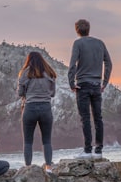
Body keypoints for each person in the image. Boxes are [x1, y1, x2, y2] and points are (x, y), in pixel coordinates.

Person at [67, 19, 112, 159]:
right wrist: (104, 82)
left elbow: (73, 64)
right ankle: (98, 151)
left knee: (85, 118)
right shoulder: (100, 43)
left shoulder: (78, 43)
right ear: (89, 29)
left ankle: (87, 150)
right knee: (98, 118)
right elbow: (109, 63)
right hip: (96, 85)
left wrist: (71, 83)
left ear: (77, 30)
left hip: (83, 85)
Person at [18, 51, 57, 172]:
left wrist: (28, 93)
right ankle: (49, 167)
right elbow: (53, 93)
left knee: (28, 141)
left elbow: (20, 93)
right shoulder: (50, 73)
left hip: (30, 108)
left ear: (29, 60)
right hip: (46, 108)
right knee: (47, 140)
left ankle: (28, 167)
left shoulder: (25, 73)